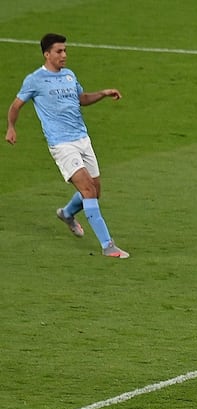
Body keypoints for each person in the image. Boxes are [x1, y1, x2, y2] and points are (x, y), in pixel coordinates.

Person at [6, 33, 129, 258]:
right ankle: (108, 245)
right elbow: (16, 106)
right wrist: (11, 128)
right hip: (61, 144)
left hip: (83, 139)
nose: (64, 55)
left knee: (95, 191)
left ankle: (67, 213)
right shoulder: (34, 80)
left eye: (65, 51)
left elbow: (81, 99)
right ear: (47, 54)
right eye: (59, 51)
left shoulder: (70, 75)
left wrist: (102, 93)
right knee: (88, 190)